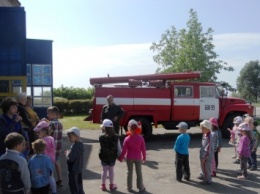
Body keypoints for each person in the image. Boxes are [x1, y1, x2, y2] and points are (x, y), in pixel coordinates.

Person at [118, 119, 146, 192]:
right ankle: (140, 187)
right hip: (138, 157)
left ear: (129, 128)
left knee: (129, 172)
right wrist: (144, 158)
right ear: (137, 128)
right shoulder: (141, 138)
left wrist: (121, 158)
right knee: (139, 172)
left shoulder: (126, 139)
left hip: (129, 157)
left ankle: (129, 187)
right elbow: (143, 149)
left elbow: (124, 150)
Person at [33, 120, 57, 194]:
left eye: (38, 132)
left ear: (44, 131)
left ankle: (53, 191)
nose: (37, 134)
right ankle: (53, 190)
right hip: (51, 160)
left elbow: (42, 151)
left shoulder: (43, 140)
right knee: (51, 176)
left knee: (49, 177)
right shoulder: (51, 138)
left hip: (45, 161)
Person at [99, 119, 121, 191]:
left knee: (104, 170)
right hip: (112, 157)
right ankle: (111, 185)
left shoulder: (101, 137)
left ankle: (103, 185)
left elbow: (101, 147)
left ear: (104, 128)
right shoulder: (116, 137)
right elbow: (119, 147)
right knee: (111, 170)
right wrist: (120, 155)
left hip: (104, 156)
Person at [65, 127, 85, 194]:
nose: (68, 138)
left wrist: (67, 155)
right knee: (79, 185)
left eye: (70, 137)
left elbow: (70, 159)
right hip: (79, 168)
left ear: (76, 136)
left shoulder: (75, 147)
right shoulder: (80, 144)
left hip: (73, 170)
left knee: (73, 187)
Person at [47, 106, 63, 186]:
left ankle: (51, 182)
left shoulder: (51, 124)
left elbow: (48, 134)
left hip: (50, 148)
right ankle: (60, 179)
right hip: (58, 147)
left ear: (53, 114)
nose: (47, 115)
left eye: (48, 114)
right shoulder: (60, 123)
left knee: (50, 164)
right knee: (56, 161)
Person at [17, 92, 35, 157]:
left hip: (23, 128)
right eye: (24, 99)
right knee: (27, 147)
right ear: (20, 99)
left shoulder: (21, 107)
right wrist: (33, 126)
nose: (26, 100)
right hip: (23, 128)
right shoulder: (21, 108)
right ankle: (22, 159)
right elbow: (25, 119)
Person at [197, 120, 214, 185]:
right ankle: (204, 176)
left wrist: (204, 157)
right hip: (203, 154)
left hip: (207, 156)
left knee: (207, 168)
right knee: (203, 167)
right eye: (201, 128)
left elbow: (208, 148)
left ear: (208, 128)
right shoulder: (205, 134)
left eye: (203, 129)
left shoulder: (210, 136)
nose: (202, 130)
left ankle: (207, 180)